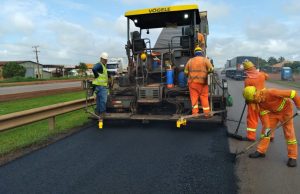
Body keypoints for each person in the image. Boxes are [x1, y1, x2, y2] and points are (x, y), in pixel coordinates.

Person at [243, 86, 300, 167]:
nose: (254, 103)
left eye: (253, 100)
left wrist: (299, 107)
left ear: (255, 95)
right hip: (273, 113)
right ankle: (261, 151)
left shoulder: (271, 92)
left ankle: (293, 157)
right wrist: (267, 128)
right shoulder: (259, 103)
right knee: (265, 131)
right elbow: (264, 117)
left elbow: (293, 93)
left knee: (289, 133)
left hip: (286, 111)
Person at [243, 59, 269, 141]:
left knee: (252, 119)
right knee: (266, 119)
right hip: (264, 101)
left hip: (253, 102)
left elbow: (247, 92)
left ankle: (251, 136)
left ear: (247, 70)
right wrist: (261, 73)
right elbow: (267, 77)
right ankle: (268, 135)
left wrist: (246, 100)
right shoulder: (262, 75)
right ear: (254, 67)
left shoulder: (247, 80)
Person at [184, 47, 214, 117]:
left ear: (195, 53)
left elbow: (185, 72)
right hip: (203, 83)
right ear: (201, 53)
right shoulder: (205, 60)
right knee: (204, 98)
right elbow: (211, 69)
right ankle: (207, 114)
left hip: (192, 83)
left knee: (194, 99)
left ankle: (195, 114)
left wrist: (188, 75)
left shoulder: (190, 61)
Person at [92, 52, 109, 118]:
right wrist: (96, 75)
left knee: (99, 100)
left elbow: (105, 74)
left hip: (98, 86)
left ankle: (97, 112)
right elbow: (93, 69)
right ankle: (102, 113)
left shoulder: (103, 67)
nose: (105, 61)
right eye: (104, 60)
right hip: (101, 87)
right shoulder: (99, 65)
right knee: (103, 100)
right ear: (101, 59)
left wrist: (110, 76)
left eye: (106, 60)